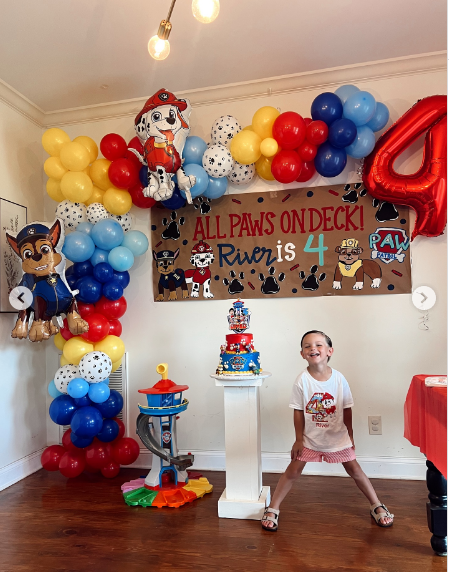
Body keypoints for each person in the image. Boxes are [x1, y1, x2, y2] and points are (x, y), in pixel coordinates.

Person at [261, 330, 394, 532]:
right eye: (307, 346)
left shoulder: (339, 379)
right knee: (293, 471)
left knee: (355, 470)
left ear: (329, 351)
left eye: (318, 345)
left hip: (338, 437)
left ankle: (376, 504)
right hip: (310, 439)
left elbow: (346, 408)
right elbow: (298, 411)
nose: (312, 348)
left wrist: (350, 435)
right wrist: (298, 440)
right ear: (302, 354)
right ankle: (273, 508)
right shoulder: (302, 380)